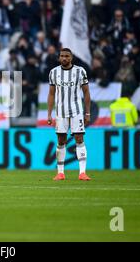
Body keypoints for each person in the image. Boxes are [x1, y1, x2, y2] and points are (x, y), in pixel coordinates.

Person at [47, 48, 91, 181]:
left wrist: (87, 112)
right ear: (59, 58)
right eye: (62, 56)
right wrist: (49, 114)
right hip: (60, 112)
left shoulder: (80, 71)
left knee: (79, 139)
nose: (64, 58)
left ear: (71, 58)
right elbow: (51, 93)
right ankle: (60, 173)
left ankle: (82, 172)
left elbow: (86, 93)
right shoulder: (54, 72)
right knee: (61, 140)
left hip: (76, 111)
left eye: (66, 56)